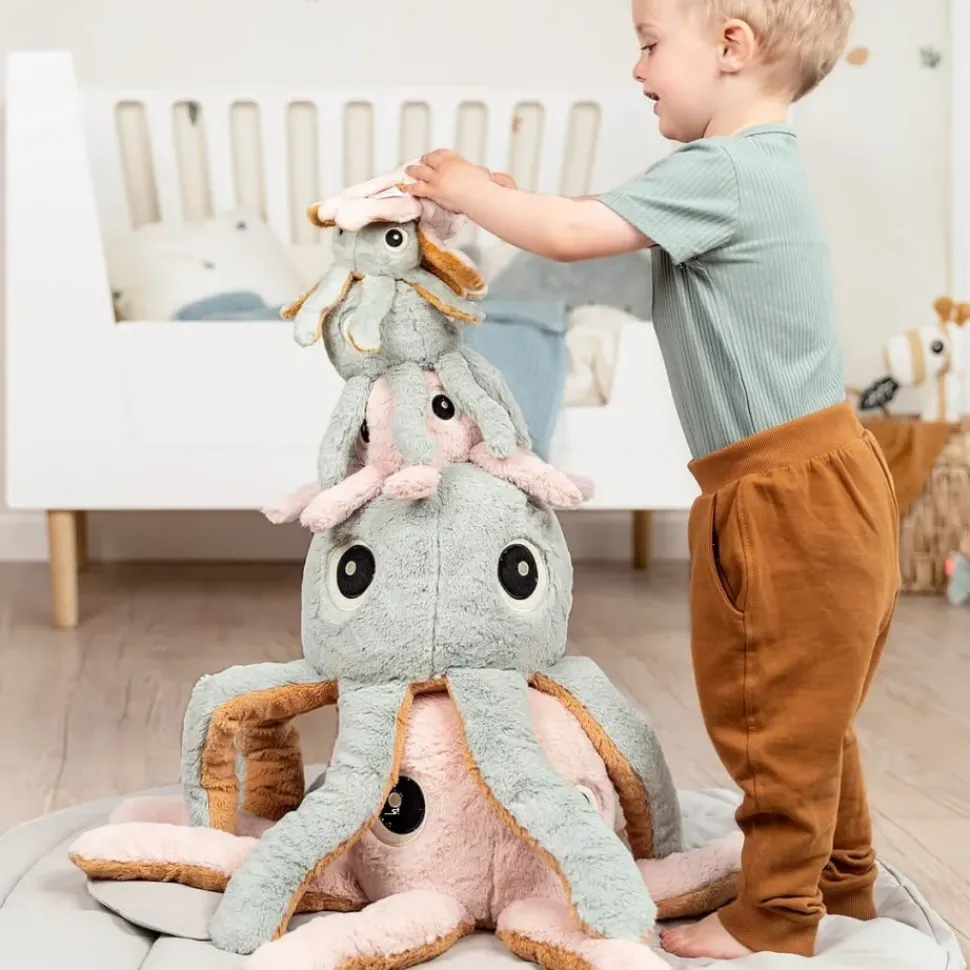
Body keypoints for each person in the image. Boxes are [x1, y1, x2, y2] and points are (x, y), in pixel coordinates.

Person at [403, 0, 900, 960]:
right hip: (827, 476)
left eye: (648, 45)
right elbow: (592, 238)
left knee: (768, 713)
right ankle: (841, 884)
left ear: (732, 46)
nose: (637, 70)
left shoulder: (723, 169)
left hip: (781, 494)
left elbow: (569, 233)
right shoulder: (755, 175)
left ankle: (775, 919)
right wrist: (517, 207)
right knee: (812, 709)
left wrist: (466, 189)